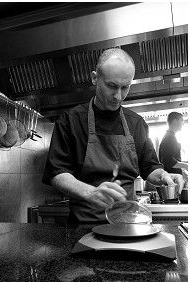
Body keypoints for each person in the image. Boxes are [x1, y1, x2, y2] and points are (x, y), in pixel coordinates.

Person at [42, 48, 184, 223]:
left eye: (125, 87)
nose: (118, 96)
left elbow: (150, 168)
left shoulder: (136, 123)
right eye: (111, 86)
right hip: (83, 226)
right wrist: (91, 192)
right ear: (95, 78)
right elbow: (57, 173)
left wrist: (164, 176)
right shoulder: (70, 121)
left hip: (129, 225)